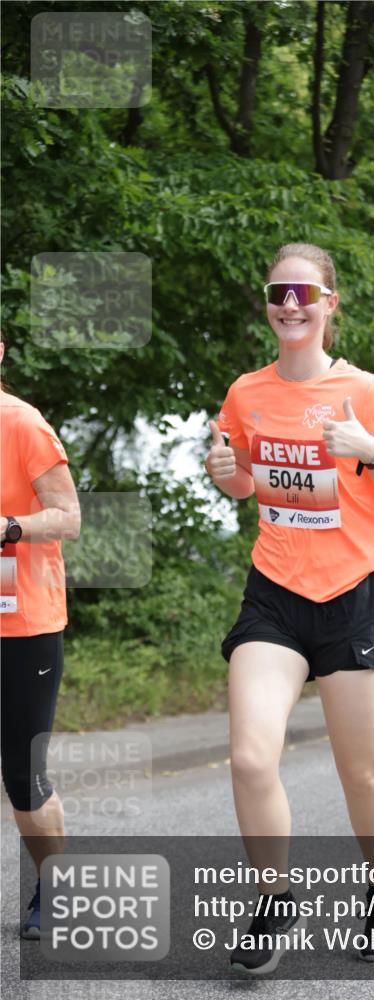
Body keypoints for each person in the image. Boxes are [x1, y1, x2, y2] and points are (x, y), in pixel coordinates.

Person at [205, 243, 374, 974]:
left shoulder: (365, 391)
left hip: (351, 596)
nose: (289, 305)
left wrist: (372, 452)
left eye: (305, 293)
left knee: (360, 772)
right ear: (267, 303)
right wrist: (225, 472)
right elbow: (240, 486)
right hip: (275, 593)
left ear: (331, 303)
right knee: (247, 757)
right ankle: (273, 901)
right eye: (277, 292)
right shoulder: (246, 392)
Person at [0, 337, 80, 938]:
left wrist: (8, 525)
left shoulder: (22, 423)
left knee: (23, 776)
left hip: (21, 623)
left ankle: (53, 887)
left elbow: (68, 516)